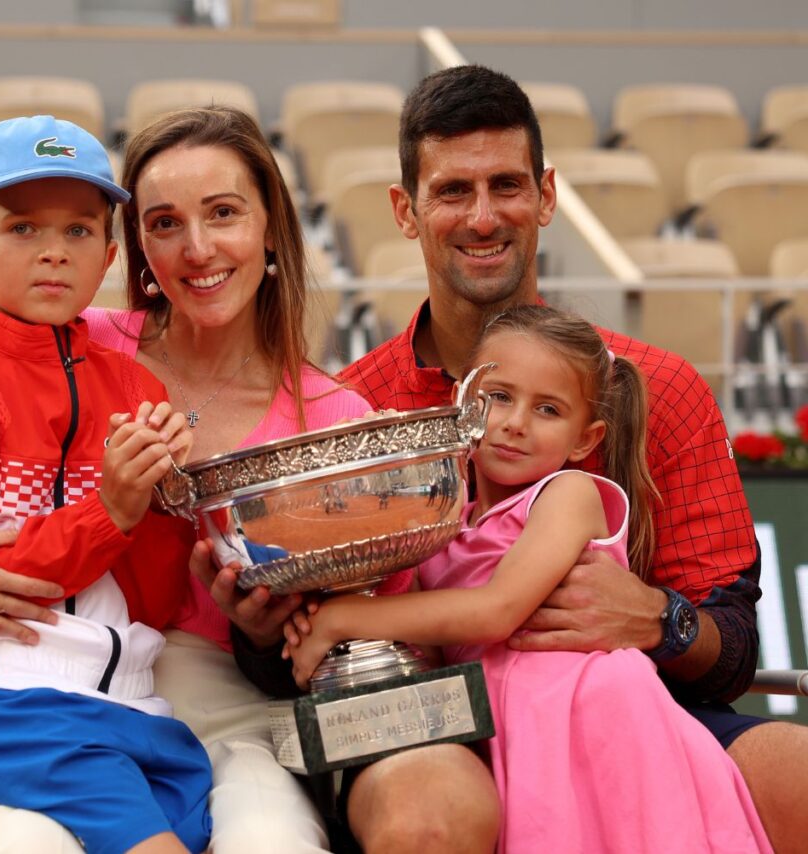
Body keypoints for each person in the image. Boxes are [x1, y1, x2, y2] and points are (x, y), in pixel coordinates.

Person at [309, 63, 808, 853]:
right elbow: (298, 651)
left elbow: (733, 650)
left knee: (800, 772)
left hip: (616, 708)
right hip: (431, 726)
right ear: (405, 211)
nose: (483, 218)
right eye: (451, 192)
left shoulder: (659, 387)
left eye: (506, 185)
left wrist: (657, 619)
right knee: (428, 815)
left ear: (546, 196)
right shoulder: (350, 408)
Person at [0, 106, 371, 853]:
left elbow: (346, 620)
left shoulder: (330, 413)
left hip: (205, 704)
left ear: (271, 230)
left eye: (223, 213)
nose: (196, 248)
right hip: (26, 690)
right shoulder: (69, 332)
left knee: (270, 842)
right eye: (163, 223)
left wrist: (262, 630)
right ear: (137, 249)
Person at [284, 304, 772, 852]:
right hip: (511, 729)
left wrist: (344, 619)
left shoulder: (569, 496)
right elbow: (428, 641)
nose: (515, 422)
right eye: (498, 398)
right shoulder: (446, 524)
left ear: (585, 440)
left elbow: (497, 611)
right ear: (462, 405)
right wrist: (326, 635)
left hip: (595, 722)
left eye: (547, 409)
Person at [0, 114, 213, 853]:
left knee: (198, 818)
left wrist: (163, 501)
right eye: (22, 228)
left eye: (80, 231)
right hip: (5, 708)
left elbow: (155, 595)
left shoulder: (131, 384)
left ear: (110, 254)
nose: (54, 251)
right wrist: (111, 509)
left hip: (135, 708)